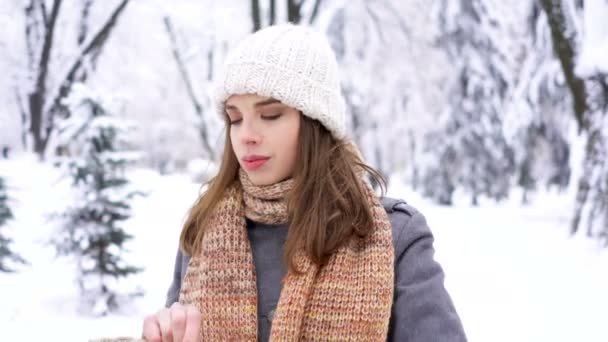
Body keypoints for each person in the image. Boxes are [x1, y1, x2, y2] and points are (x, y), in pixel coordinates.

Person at [142, 24, 467, 341]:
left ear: (315, 122)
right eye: (235, 118)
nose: (246, 136)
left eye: (270, 115)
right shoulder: (203, 231)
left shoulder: (394, 234)